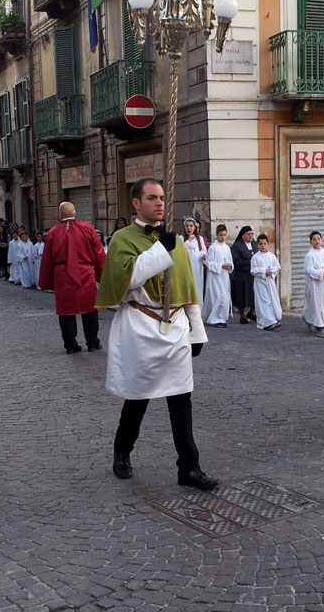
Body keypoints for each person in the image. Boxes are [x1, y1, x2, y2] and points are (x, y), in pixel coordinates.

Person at [95, 177, 218, 490]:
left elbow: (186, 288)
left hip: (175, 326)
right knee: (138, 398)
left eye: (162, 197)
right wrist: (159, 250)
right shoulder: (122, 238)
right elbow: (129, 277)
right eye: (152, 198)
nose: (159, 203)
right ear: (136, 202)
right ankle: (122, 452)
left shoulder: (172, 239)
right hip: (141, 326)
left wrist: (197, 332)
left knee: (181, 399)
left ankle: (189, 467)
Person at [38, 202, 106, 354]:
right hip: (85, 272)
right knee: (89, 309)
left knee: (66, 311)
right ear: (75, 213)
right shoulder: (88, 229)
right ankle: (93, 342)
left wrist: (48, 281)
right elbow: (99, 254)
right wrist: (102, 275)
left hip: (62, 274)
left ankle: (71, 345)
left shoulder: (53, 232)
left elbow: (47, 259)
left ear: (60, 215)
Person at [201, 224, 233, 327]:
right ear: (216, 234)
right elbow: (209, 263)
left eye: (224, 235)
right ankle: (215, 319)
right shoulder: (213, 248)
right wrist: (221, 265)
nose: (223, 237)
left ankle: (221, 318)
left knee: (225, 297)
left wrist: (229, 266)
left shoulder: (227, 247)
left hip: (224, 276)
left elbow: (230, 261)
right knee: (219, 296)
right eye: (221, 235)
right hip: (215, 276)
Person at [302, 231, 324, 338]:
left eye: (318, 238)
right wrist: (322, 272)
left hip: (323, 283)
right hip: (314, 283)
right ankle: (320, 326)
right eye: (314, 239)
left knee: (322, 302)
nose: (316, 241)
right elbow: (309, 270)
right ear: (310, 242)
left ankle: (308, 317)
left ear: (322, 240)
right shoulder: (309, 255)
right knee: (315, 302)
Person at [250, 234, 282, 331]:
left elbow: (277, 266)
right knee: (264, 301)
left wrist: (271, 271)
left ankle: (273, 319)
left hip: (270, 282)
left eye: (265, 244)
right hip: (260, 282)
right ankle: (267, 322)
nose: (263, 246)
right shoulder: (255, 257)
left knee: (272, 299)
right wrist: (264, 271)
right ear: (257, 245)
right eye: (261, 244)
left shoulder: (271, 256)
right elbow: (253, 270)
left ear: (268, 244)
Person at [231, 226, 257, 324]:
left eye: (252, 234)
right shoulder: (237, 246)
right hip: (241, 275)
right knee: (241, 296)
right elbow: (235, 260)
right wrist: (248, 262)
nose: (251, 236)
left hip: (252, 276)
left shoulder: (255, 244)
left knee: (254, 295)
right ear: (243, 236)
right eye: (248, 234)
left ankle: (252, 312)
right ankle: (242, 316)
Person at [183, 217, 207, 305]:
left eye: (191, 226)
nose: (189, 228)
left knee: (197, 287)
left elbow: (203, 251)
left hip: (197, 266)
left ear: (195, 227)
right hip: (186, 267)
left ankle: (199, 308)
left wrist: (204, 256)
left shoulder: (200, 239)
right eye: (187, 226)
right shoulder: (181, 238)